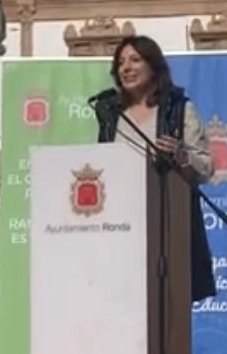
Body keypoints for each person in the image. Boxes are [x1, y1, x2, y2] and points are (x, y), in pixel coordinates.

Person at [92, 35, 216, 302]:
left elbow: (205, 168)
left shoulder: (179, 109)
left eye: (135, 60)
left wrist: (181, 155)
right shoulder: (111, 114)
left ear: (154, 67)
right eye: (121, 62)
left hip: (167, 223)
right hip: (119, 226)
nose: (126, 68)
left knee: (166, 309)